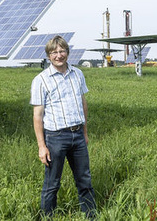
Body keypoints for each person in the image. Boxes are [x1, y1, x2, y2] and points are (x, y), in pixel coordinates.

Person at [30, 35, 96, 219]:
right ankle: (47, 217)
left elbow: (82, 104)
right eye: (54, 52)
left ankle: (90, 215)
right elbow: (38, 115)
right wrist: (42, 146)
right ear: (48, 56)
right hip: (55, 138)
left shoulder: (78, 74)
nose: (59, 55)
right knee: (52, 183)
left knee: (84, 180)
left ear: (67, 52)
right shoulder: (41, 80)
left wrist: (84, 132)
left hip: (78, 136)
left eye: (62, 51)